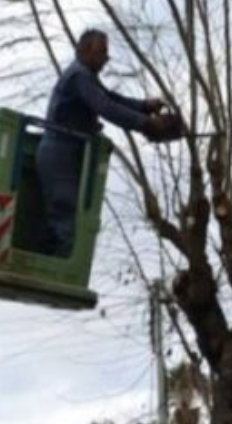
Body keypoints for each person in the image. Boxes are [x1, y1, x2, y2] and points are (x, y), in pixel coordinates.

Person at [37, 29, 184, 257]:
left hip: (67, 152)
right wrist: (146, 124)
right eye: (102, 51)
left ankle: (52, 269)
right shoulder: (78, 77)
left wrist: (143, 106)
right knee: (65, 217)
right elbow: (105, 107)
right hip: (60, 152)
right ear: (84, 50)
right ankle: (55, 276)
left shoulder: (86, 77)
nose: (106, 58)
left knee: (67, 218)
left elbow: (111, 98)